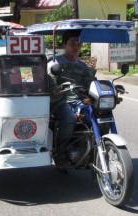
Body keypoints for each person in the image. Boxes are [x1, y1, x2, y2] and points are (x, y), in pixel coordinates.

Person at [48, 30, 96, 166]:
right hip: (60, 101)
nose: (76, 47)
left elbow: (91, 83)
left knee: (100, 114)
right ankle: (61, 152)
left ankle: (96, 149)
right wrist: (55, 90)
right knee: (69, 118)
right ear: (64, 45)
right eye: (72, 44)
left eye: (79, 44)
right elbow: (49, 82)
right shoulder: (54, 63)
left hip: (80, 101)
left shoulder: (83, 66)